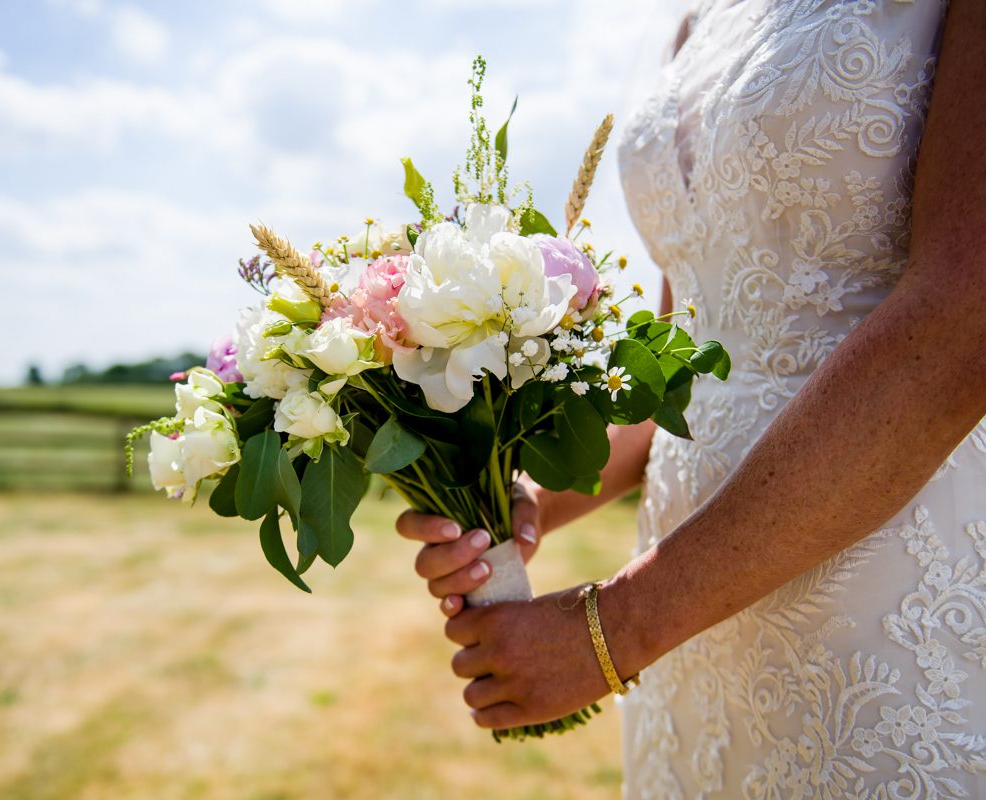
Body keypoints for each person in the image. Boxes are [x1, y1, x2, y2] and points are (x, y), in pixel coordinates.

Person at [396, 0, 986, 795]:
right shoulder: (701, 19)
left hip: (885, 599)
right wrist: (523, 502)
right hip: (690, 621)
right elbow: (686, 369)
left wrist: (613, 629)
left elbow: (963, 322)